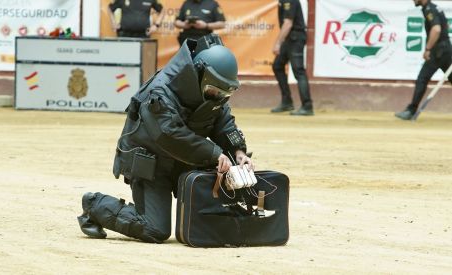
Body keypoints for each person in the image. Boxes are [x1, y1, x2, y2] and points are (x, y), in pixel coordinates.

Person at [77, 34, 254, 243]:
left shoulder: (212, 90)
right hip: (150, 163)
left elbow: (222, 120)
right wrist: (214, 153)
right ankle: (95, 206)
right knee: (155, 229)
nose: (218, 96)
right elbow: (169, 135)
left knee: (212, 219)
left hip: (185, 160)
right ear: (200, 74)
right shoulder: (161, 92)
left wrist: (238, 151)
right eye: (215, 90)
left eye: (224, 92)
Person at [395, 0, 452, 120]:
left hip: (438, 51)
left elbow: (436, 29)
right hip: (445, 50)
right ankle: (411, 109)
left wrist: (427, 49)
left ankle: (411, 110)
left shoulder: (429, 9)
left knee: (422, 79)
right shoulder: (433, 7)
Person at [271, 0, 313, 116]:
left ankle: (307, 106)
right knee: (277, 66)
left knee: (298, 71)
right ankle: (287, 102)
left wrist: (278, 43)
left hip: (295, 38)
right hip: (290, 38)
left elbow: (288, 23)